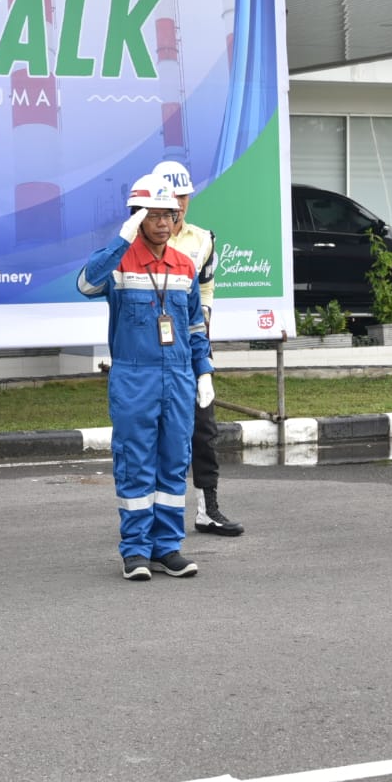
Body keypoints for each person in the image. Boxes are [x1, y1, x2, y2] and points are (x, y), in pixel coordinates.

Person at [78, 173, 214, 580]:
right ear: (137, 218)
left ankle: (167, 548)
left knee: (174, 462)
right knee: (136, 462)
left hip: (177, 376)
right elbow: (86, 284)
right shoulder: (119, 262)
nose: (162, 223)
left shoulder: (185, 265)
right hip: (134, 378)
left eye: (168, 215)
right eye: (152, 216)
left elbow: (193, 327)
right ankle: (135, 550)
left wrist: (203, 372)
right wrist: (121, 240)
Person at [152, 159, 242, 536]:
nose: (180, 203)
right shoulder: (146, 237)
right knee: (155, 432)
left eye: (184, 195)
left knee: (203, 428)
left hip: (190, 345)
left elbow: (206, 288)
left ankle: (208, 508)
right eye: (173, 195)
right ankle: (152, 515)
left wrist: (202, 333)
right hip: (151, 350)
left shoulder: (203, 239)